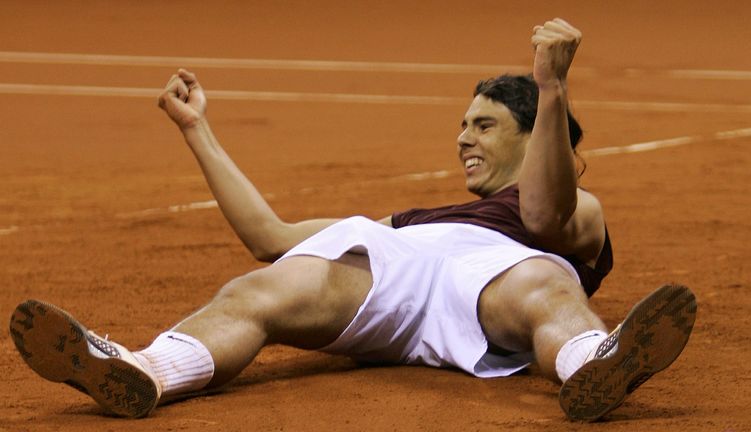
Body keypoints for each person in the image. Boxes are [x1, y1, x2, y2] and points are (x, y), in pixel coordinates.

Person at [9, 18, 696, 421]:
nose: (463, 138)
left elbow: (545, 214)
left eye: (484, 125)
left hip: (492, 273)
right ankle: (143, 369)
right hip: (399, 260)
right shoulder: (416, 216)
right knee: (260, 290)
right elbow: (269, 238)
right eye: (462, 124)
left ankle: (592, 365)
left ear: (531, 134)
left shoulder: (573, 211)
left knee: (548, 288)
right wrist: (198, 132)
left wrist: (551, 88)